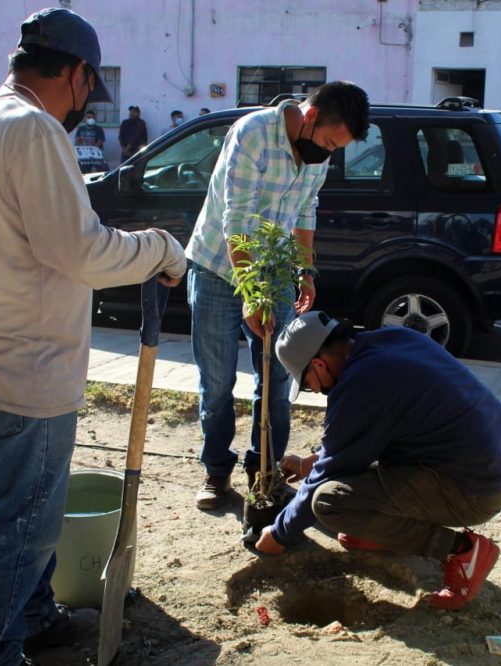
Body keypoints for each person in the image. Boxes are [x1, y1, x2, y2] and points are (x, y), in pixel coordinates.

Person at [0, 8, 187, 665]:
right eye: (88, 90)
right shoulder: (33, 129)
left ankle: (35, 615)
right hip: (24, 373)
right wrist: (160, 248)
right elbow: (82, 252)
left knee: (17, 506)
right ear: (77, 74)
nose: (84, 107)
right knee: (22, 526)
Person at [255, 311, 501, 612]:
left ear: (318, 364)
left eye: (307, 383)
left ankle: (461, 551)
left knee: (330, 502)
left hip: (474, 489)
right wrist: (309, 464)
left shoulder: (361, 384)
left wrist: (278, 534)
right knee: (352, 479)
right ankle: (383, 532)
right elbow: (360, 439)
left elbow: (328, 474)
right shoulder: (392, 341)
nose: (315, 390)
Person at [186, 81, 370, 510]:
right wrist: (251, 293)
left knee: (278, 375)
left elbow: (306, 210)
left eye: (336, 149)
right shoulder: (253, 133)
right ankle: (217, 471)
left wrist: (304, 271)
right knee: (217, 382)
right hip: (217, 267)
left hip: (276, 271)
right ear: (310, 117)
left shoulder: (316, 154)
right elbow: (237, 218)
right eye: (328, 143)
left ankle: (265, 472)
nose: (327, 154)